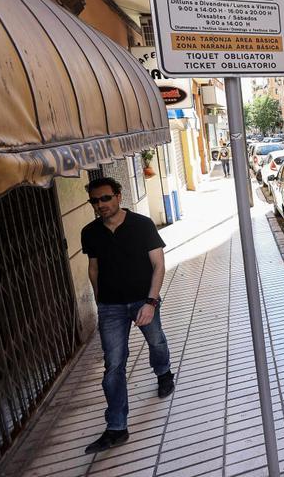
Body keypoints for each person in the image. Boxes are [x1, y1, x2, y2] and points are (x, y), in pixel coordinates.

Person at [81, 178, 174, 454]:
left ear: (119, 197)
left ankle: (163, 372)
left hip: (143, 300)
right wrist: (100, 301)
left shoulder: (142, 225)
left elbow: (158, 265)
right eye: (95, 201)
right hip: (110, 306)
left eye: (105, 198)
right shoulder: (90, 232)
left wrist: (151, 302)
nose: (100, 205)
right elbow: (93, 269)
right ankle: (117, 427)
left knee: (156, 341)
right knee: (113, 366)